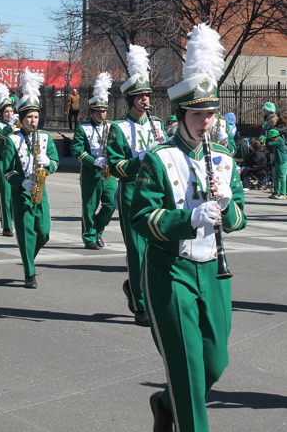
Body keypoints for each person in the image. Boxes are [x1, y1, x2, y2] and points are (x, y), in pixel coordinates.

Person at [130, 24, 247, 432]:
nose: (207, 123)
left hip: (213, 270)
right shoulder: (158, 160)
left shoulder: (226, 159)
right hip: (171, 270)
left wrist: (228, 205)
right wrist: (188, 219)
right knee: (187, 369)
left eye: (211, 114)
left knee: (215, 362)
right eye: (199, 115)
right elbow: (141, 218)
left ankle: (165, 404)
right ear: (182, 115)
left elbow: (239, 220)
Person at [107, 44, 167, 327]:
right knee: (136, 249)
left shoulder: (157, 123)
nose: (146, 100)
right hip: (131, 192)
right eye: (141, 96)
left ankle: (140, 289)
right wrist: (140, 159)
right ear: (131, 99)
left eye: (147, 95)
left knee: (157, 248)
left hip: (156, 193)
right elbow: (115, 165)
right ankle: (140, 305)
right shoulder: (118, 129)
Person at [2, 68, 59, 288]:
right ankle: (29, 272)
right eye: (29, 117)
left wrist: (48, 164)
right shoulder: (12, 140)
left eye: (36, 117)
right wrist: (21, 182)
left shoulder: (45, 137)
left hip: (40, 190)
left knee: (43, 233)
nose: (33, 121)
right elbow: (7, 171)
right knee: (26, 234)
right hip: (22, 192)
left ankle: (29, 259)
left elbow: (55, 162)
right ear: (22, 119)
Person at [72, 73, 116, 250]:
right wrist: (93, 161)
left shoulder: (112, 126)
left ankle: (98, 230)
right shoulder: (83, 128)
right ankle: (89, 237)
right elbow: (77, 150)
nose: (102, 113)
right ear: (92, 111)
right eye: (99, 110)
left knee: (110, 205)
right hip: (91, 172)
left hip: (109, 173)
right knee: (90, 206)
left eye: (104, 110)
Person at [0, 83, 16, 237]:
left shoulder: (18, 124)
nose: (9, 114)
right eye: (6, 112)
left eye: (11, 111)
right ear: (2, 113)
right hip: (2, 161)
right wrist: (9, 128)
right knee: (5, 193)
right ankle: (7, 225)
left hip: (16, 161)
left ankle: (17, 220)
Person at [266, 128, 286, 199]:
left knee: (281, 177)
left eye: (271, 138)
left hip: (281, 160)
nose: (270, 139)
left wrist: (266, 139)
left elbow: (269, 144)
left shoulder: (279, 141)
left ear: (275, 137)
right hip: (277, 160)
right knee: (277, 177)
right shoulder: (277, 140)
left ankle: (283, 193)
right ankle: (277, 192)